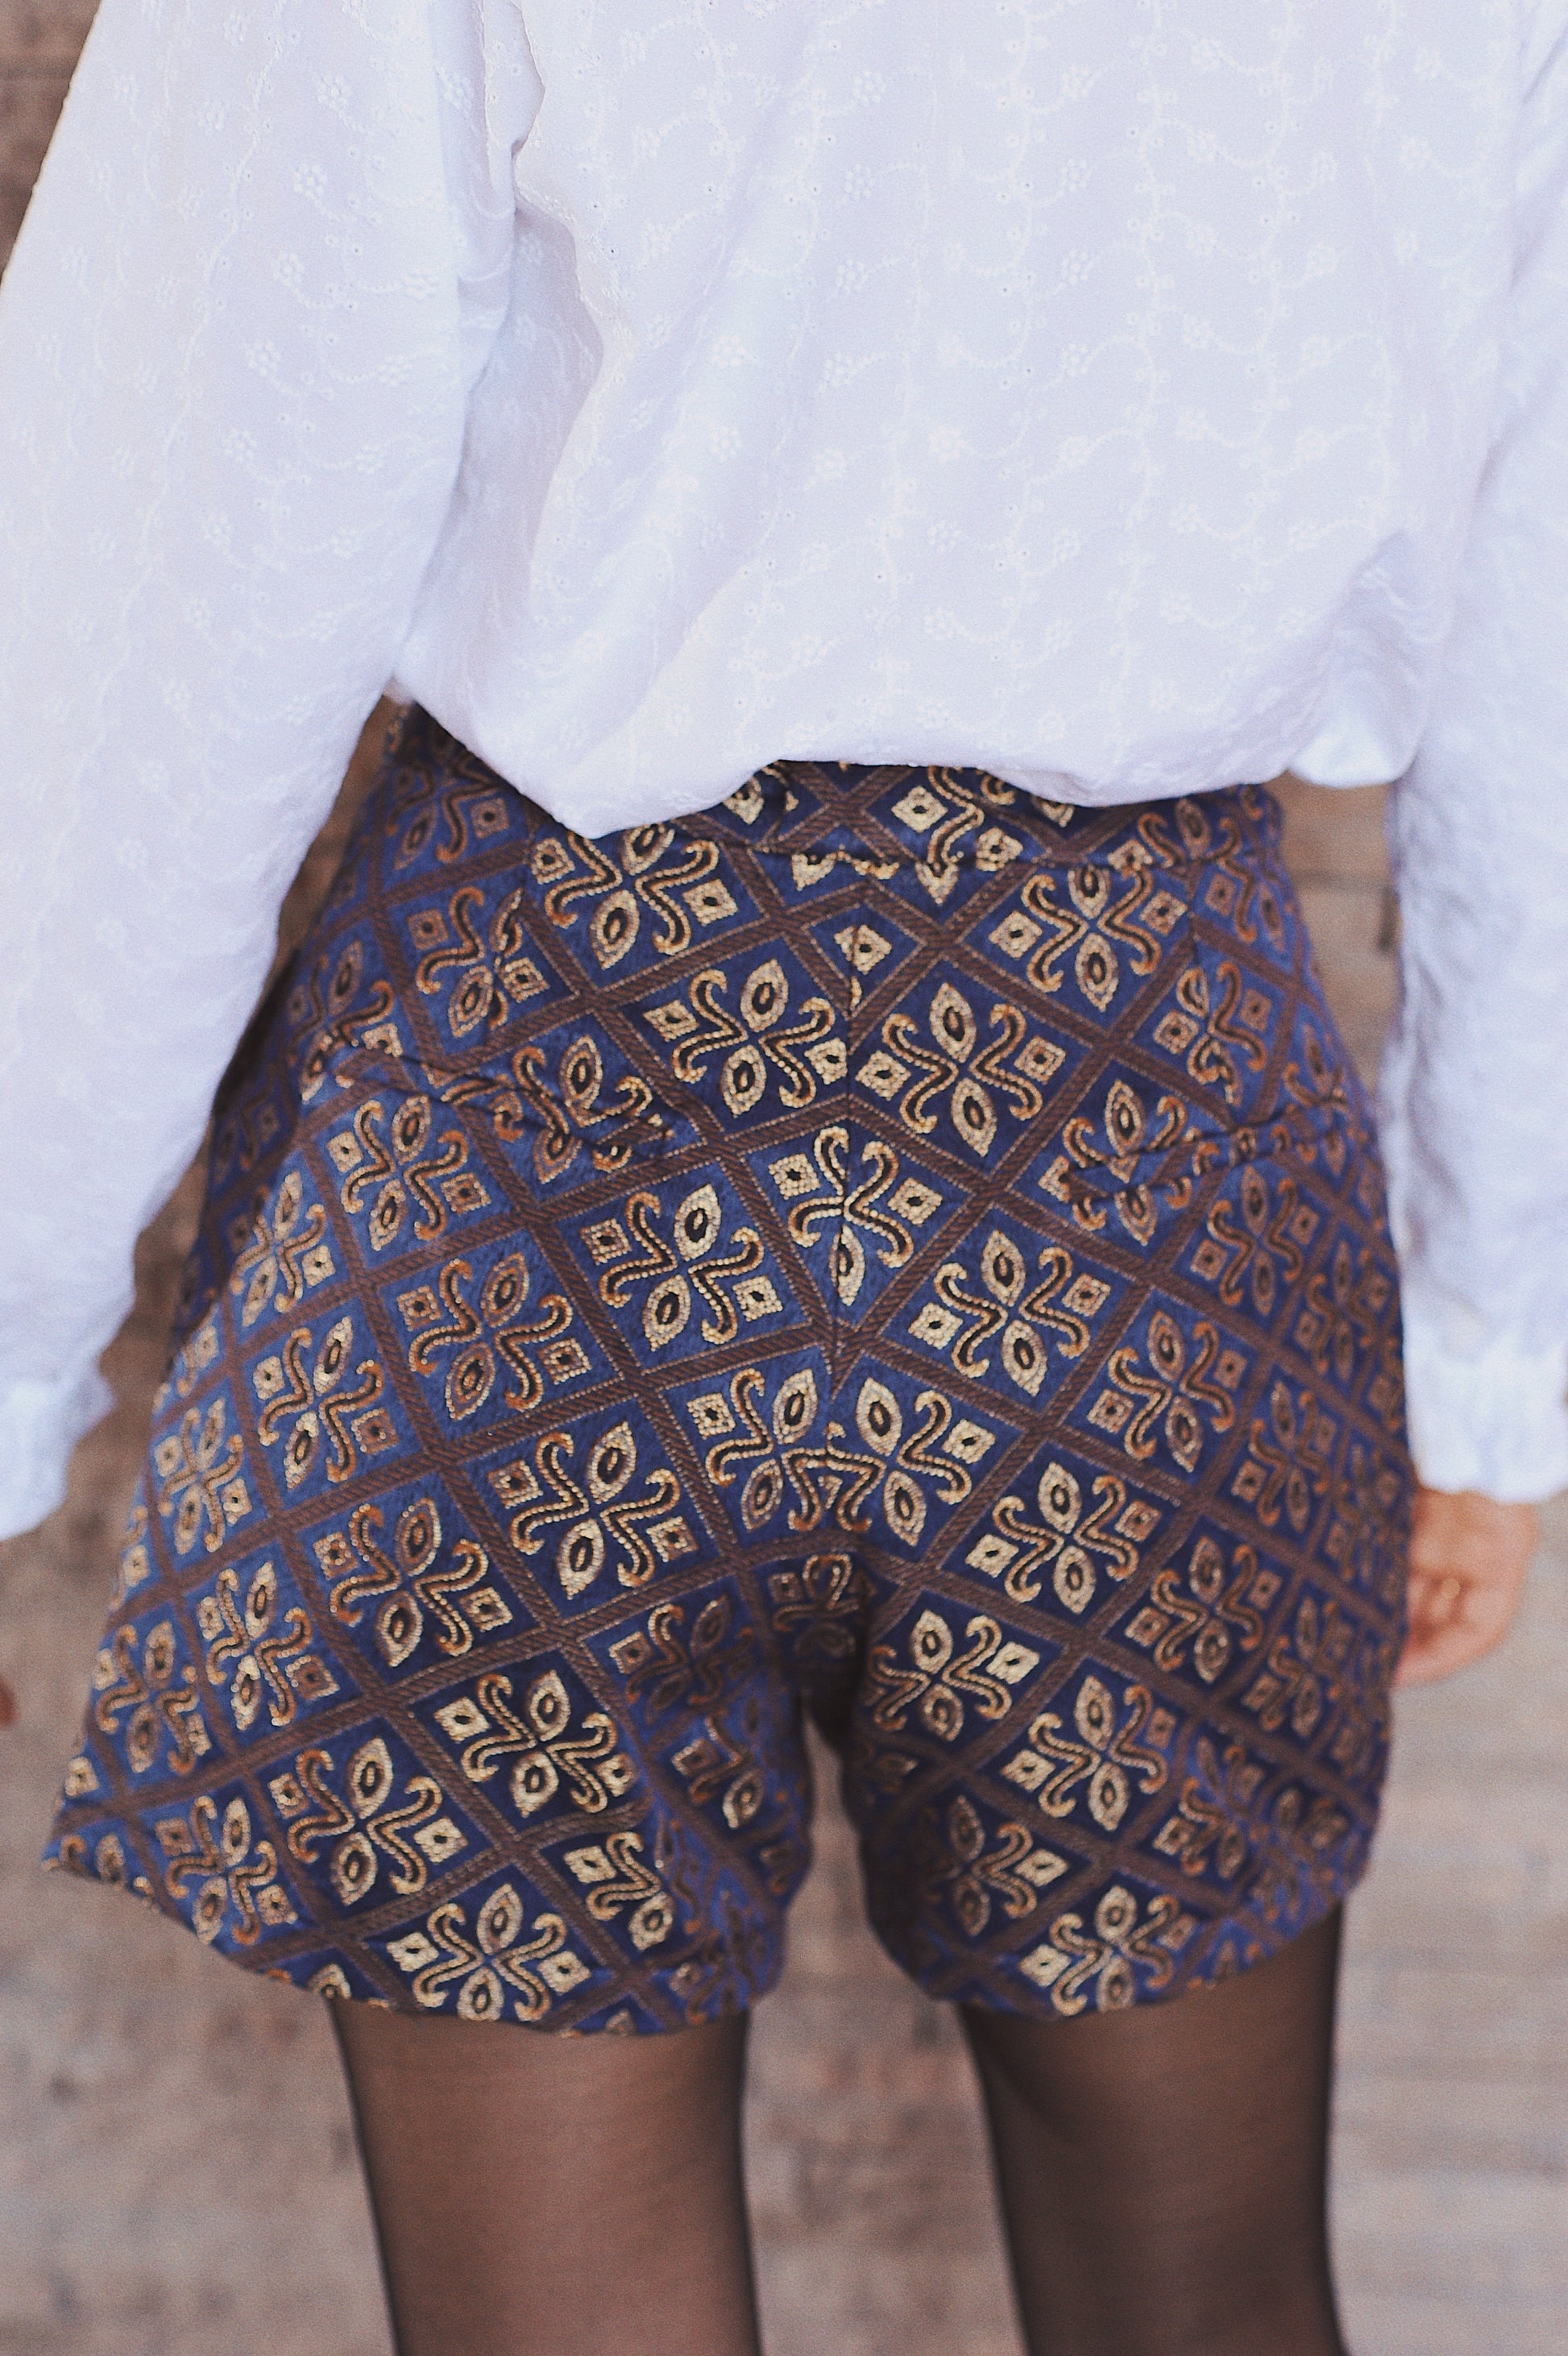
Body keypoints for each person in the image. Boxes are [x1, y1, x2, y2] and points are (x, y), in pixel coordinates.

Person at [0, 3, 1562, 2351]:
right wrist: (1498, 1357)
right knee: (1203, 2286)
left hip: (530, 1166)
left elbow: (149, 594)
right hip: (1140, 1175)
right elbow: (1544, 658)